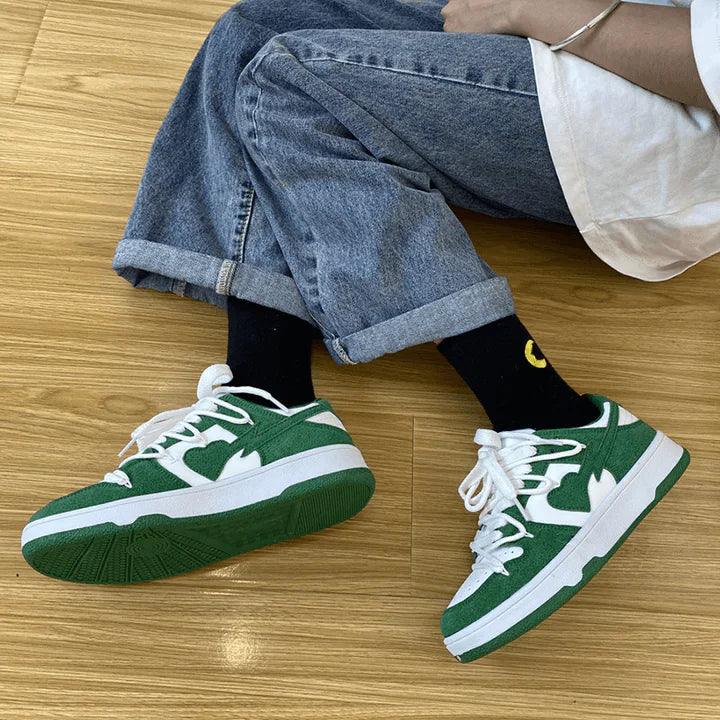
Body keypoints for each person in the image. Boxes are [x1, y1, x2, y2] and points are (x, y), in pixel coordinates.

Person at [20, 0, 718, 662]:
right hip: (608, 39)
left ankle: (551, 417)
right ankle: (268, 397)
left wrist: (520, 10)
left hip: (670, 116)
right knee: (254, 28)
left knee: (288, 82)